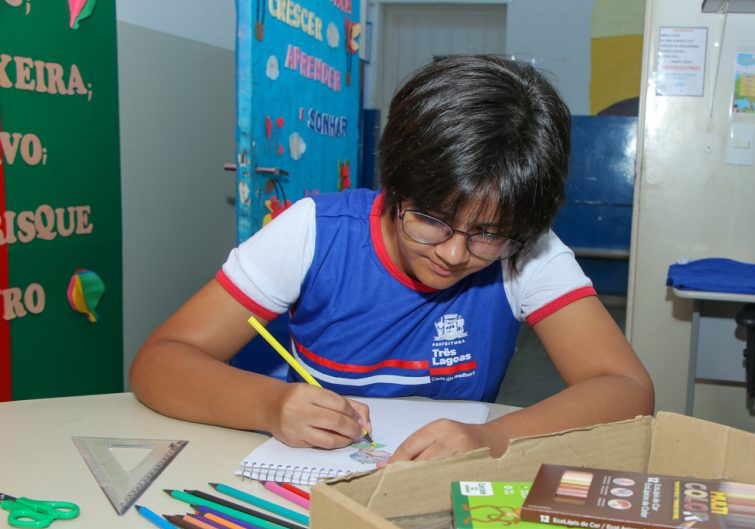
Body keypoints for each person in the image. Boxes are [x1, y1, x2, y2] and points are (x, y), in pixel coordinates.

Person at [129, 54, 653, 463]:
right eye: (431, 219)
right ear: (395, 186)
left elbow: (626, 388)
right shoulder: (314, 232)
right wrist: (268, 405)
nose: (454, 253)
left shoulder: (526, 247)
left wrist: (491, 439)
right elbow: (159, 362)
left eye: (487, 234)